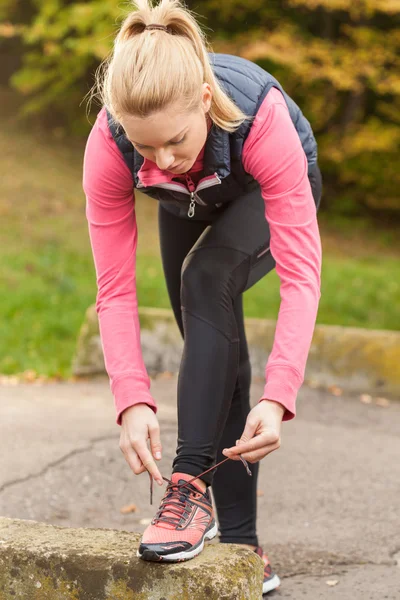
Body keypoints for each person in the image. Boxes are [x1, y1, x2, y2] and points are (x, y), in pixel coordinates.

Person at [83, 0, 322, 594]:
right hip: (190, 202)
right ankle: (243, 548)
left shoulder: (260, 120)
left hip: (260, 189)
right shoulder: (112, 145)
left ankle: (187, 488)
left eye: (174, 141)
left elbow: (302, 277)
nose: (159, 162)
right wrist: (130, 400)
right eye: (145, 148)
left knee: (205, 278)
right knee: (212, 345)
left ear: (206, 103)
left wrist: (280, 395)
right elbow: (114, 287)